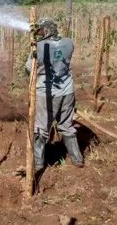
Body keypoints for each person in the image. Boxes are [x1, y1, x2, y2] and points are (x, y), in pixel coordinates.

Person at [26, 18, 84, 171]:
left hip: (46, 93)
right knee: (66, 124)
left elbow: (28, 68)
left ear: (44, 31)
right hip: (67, 90)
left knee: (41, 127)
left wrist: (33, 47)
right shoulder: (68, 43)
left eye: (40, 31)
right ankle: (77, 158)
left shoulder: (39, 47)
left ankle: (38, 163)